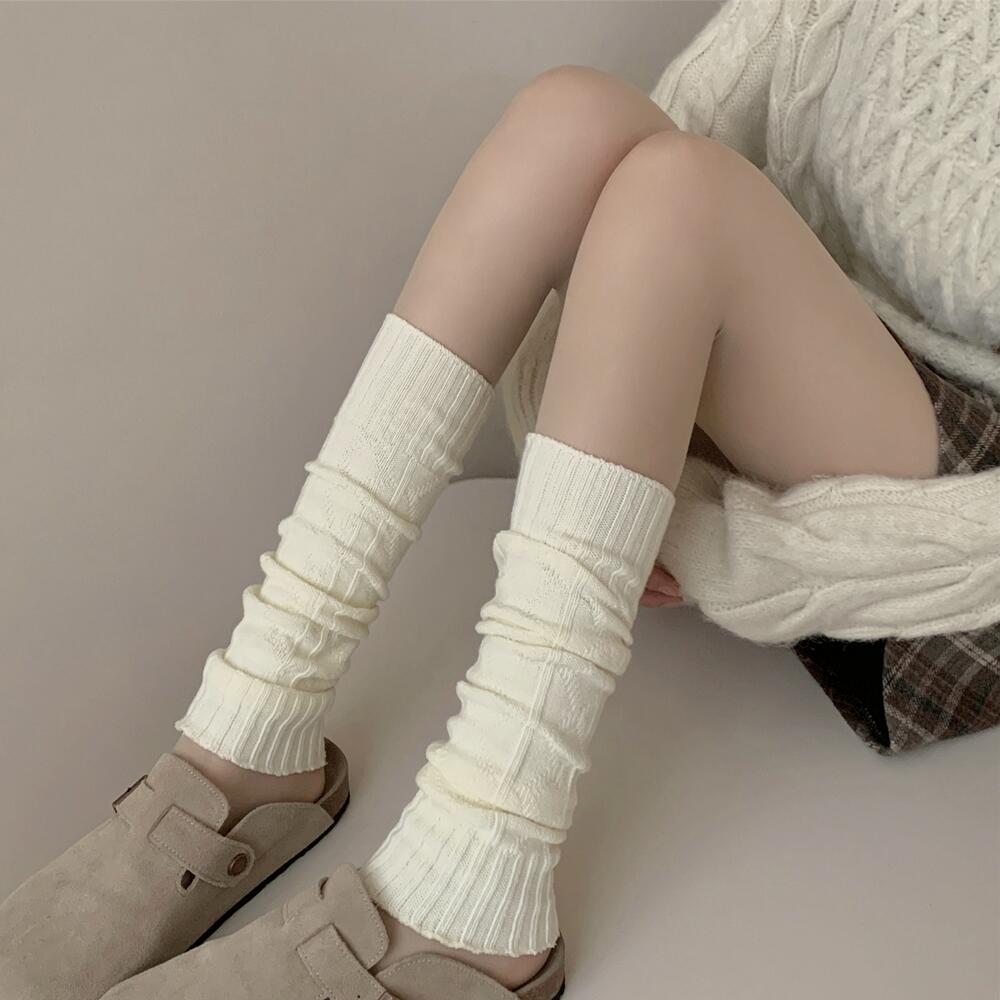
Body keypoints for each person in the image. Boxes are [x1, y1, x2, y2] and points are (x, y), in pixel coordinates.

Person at [3, 1, 999, 998]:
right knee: (575, 119)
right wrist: (631, 434)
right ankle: (254, 721)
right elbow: (706, 124)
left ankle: (481, 873)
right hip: (827, 339)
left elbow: (692, 213)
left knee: (686, 198)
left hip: (957, 541)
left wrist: (730, 542)